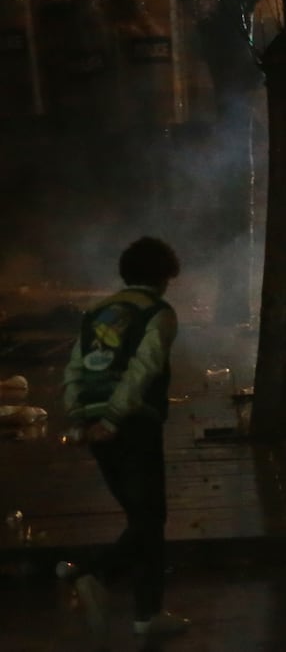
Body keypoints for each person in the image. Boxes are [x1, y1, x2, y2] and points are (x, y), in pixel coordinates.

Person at [62, 236, 189, 642]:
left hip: (95, 423)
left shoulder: (98, 311)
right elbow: (143, 369)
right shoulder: (159, 313)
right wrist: (116, 417)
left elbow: (75, 367)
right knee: (151, 517)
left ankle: (146, 614)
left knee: (144, 518)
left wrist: (79, 418)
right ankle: (97, 575)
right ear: (165, 277)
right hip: (133, 422)